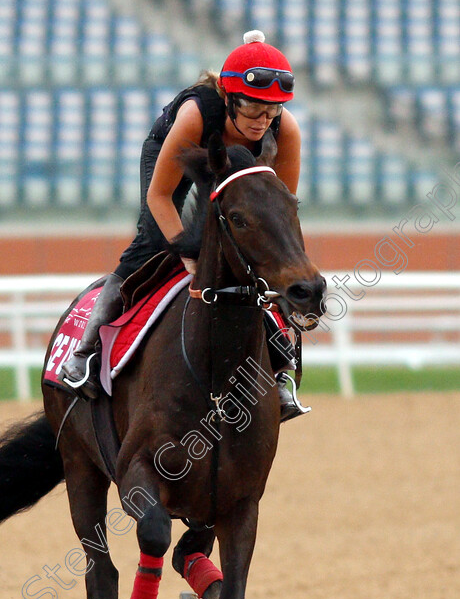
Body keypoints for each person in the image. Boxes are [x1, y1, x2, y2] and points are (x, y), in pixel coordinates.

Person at [60, 30, 309, 421]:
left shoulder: (285, 129)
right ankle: (85, 353)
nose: (264, 120)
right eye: (253, 108)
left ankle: (280, 370)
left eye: (273, 110)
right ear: (228, 99)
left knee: (260, 260)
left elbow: (279, 214)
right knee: (152, 243)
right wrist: (188, 255)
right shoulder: (196, 114)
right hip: (173, 152)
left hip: (235, 171)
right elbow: (160, 197)